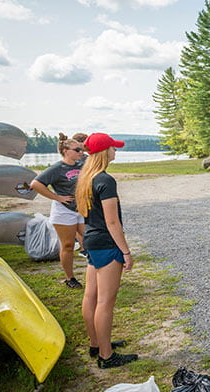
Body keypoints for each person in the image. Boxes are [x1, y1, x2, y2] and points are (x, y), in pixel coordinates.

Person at [75, 133, 138, 369]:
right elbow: (112, 222)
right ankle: (106, 355)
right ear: (105, 151)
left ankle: (97, 344)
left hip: (92, 241)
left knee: (90, 296)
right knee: (105, 302)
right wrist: (126, 252)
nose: (116, 151)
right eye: (113, 147)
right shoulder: (105, 180)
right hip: (106, 244)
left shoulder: (86, 178)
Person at [30, 133, 86, 288]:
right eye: (77, 150)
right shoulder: (57, 168)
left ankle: (98, 271)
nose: (81, 153)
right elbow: (35, 184)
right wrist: (57, 197)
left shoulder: (83, 162)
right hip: (64, 211)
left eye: (81, 150)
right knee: (67, 245)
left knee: (88, 239)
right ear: (66, 151)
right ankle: (70, 278)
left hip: (82, 208)